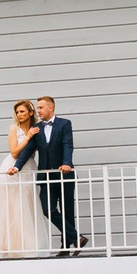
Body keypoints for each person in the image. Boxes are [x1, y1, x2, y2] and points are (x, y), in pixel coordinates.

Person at [27, 95, 82, 252]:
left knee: (67, 212)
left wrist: (66, 163)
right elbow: (28, 151)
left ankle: (66, 247)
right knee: (48, 209)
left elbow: (67, 144)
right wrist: (16, 167)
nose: (38, 110)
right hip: (46, 177)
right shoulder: (36, 128)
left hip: (64, 175)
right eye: (37, 108)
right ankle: (76, 238)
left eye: (41, 107)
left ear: (51, 108)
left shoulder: (64, 124)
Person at [0, 99, 39, 255]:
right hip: (13, 166)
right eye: (17, 112)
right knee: (12, 207)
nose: (19, 115)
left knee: (27, 206)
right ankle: (9, 246)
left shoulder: (36, 129)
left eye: (22, 111)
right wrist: (27, 137)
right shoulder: (14, 129)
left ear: (30, 113)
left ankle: (27, 245)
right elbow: (14, 152)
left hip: (29, 167)